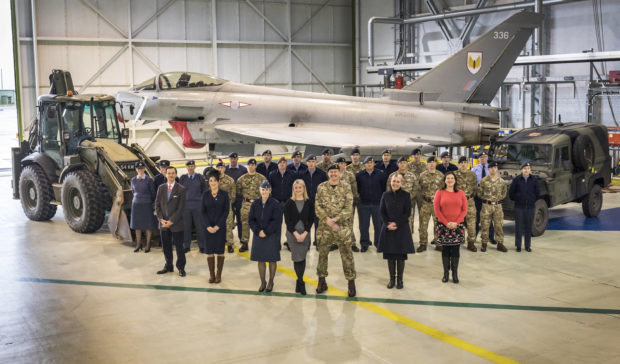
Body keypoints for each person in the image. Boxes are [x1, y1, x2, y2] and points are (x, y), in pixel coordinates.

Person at [315, 165, 357, 297]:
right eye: (331, 172)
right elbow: (317, 205)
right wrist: (326, 219)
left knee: (347, 256)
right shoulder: (321, 187)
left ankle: (351, 282)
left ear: (339, 173)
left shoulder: (346, 187)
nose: (333, 174)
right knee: (322, 255)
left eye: (335, 172)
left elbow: (349, 207)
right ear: (328, 174)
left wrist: (337, 219)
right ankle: (322, 281)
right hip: (324, 228)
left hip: (342, 228)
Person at [378, 174, 415, 289]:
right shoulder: (385, 195)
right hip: (388, 228)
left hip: (401, 229)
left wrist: (396, 223)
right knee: (390, 256)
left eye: (398, 182)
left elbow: (407, 213)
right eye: (394, 181)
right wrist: (388, 223)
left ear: (401, 183)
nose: (395, 183)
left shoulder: (406, 195)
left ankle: (400, 280)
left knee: (400, 256)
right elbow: (381, 211)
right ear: (391, 182)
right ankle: (391, 279)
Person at [249, 180, 283, 292]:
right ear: (260, 191)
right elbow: (251, 220)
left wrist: (266, 232)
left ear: (270, 190)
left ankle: (271, 281)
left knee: (272, 260)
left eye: (266, 189)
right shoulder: (255, 204)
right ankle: (263, 282)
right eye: (262, 189)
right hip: (258, 235)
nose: (264, 191)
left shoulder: (275, 204)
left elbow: (276, 221)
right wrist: (258, 231)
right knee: (261, 259)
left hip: (271, 235)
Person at [434, 171, 467, 283]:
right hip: (443, 226)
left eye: (452, 178)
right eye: (448, 178)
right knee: (446, 249)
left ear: (455, 180)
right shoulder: (439, 192)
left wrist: (456, 222)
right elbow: (437, 210)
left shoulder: (461, 193)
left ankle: (455, 273)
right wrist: (446, 222)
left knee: (456, 249)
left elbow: (464, 210)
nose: (450, 180)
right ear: (444, 180)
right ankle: (446, 273)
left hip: (457, 226)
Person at [283, 179, 315, 295]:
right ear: (293, 189)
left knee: (302, 257)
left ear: (303, 188)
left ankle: (299, 281)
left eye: (300, 187)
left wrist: (305, 233)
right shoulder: (289, 203)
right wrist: (296, 234)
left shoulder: (309, 202)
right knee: (297, 257)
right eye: (295, 188)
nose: (298, 190)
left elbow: (311, 219)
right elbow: (287, 221)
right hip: (293, 234)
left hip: (305, 234)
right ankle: (301, 282)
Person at [155, 167, 187, 277]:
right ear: (165, 175)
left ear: (176, 174)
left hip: (176, 224)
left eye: (173, 173)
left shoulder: (181, 189)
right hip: (163, 224)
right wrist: (161, 219)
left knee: (179, 247)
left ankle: (181, 268)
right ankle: (168, 266)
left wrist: (171, 221)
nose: (171, 175)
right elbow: (157, 205)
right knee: (166, 246)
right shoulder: (161, 188)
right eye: (169, 173)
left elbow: (181, 208)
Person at [201, 170, 230, 283]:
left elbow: (226, 211)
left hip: (220, 228)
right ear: (209, 182)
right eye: (210, 181)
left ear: (218, 182)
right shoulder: (205, 194)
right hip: (208, 228)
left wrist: (218, 226)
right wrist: (207, 226)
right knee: (209, 252)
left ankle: (218, 275)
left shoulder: (224, 194)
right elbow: (202, 212)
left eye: (214, 180)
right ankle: (212, 275)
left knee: (220, 251)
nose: (212, 183)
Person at [355, 156, 387, 252]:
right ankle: (364, 244)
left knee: (378, 225)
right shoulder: (359, 175)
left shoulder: (380, 174)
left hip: (377, 204)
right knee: (364, 226)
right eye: (367, 163)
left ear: (374, 164)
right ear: (364, 164)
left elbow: (384, 188)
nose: (369, 164)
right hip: (364, 204)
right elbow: (358, 189)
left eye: (371, 162)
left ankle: (378, 243)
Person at [477, 161, 508, 252]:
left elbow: (504, 193)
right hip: (486, 206)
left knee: (498, 225)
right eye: (491, 167)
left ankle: (500, 244)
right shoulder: (484, 180)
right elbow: (479, 192)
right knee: (485, 225)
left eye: (495, 167)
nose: (493, 169)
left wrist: (497, 199)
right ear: (488, 169)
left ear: (497, 169)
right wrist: (487, 199)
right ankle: (484, 243)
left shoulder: (501, 181)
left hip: (498, 206)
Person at [509, 162, 540, 252]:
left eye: (528, 168)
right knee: (518, 227)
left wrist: (531, 199)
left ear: (530, 170)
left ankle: (527, 246)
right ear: (521, 169)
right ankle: (518, 246)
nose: (526, 170)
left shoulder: (534, 180)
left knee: (528, 227)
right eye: (525, 168)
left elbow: (537, 193)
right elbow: (511, 193)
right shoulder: (517, 180)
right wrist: (518, 198)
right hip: (519, 207)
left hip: (530, 207)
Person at [236, 158, 266, 252]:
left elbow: (267, 191)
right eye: (249, 165)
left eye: (253, 165)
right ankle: (245, 243)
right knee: (245, 224)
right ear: (247, 166)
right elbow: (238, 191)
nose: (251, 166)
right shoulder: (241, 179)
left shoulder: (262, 178)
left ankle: (260, 243)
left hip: (258, 204)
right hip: (246, 204)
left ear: (255, 166)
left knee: (260, 224)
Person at [268, 157, 296, 250]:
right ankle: (276, 243)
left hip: (289, 203)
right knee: (277, 224)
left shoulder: (292, 174)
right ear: (278, 164)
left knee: (290, 224)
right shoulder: (272, 174)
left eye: (284, 162)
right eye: (280, 163)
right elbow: (269, 189)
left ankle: (289, 243)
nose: (282, 164)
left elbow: (294, 188)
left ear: (286, 164)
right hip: (277, 203)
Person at [417, 156, 444, 252]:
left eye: (433, 162)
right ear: (427, 164)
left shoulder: (441, 175)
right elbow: (418, 188)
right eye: (430, 162)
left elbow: (443, 190)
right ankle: (423, 243)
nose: (432, 164)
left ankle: (438, 243)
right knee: (423, 225)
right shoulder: (422, 175)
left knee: (438, 224)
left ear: (436, 164)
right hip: (425, 203)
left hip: (437, 204)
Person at [300, 155, 328, 248]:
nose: (311, 163)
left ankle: (318, 243)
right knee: (306, 223)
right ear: (307, 163)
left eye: (313, 162)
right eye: (309, 161)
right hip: (306, 203)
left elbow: (325, 188)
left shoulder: (322, 174)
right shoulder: (302, 174)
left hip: (318, 202)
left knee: (318, 224)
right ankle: (306, 244)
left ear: (316, 163)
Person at [179, 160, 206, 253]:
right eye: (188, 166)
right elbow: (180, 192)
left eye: (192, 166)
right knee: (186, 227)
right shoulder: (182, 178)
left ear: (195, 167)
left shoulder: (200, 178)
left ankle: (202, 246)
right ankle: (186, 246)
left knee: (200, 227)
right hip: (186, 207)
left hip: (198, 206)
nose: (190, 168)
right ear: (186, 167)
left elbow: (204, 191)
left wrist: (201, 202)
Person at [387, 156, 418, 233]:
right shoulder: (392, 176)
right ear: (398, 164)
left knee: (408, 223)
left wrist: (408, 198)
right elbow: (388, 189)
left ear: (407, 164)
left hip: (408, 204)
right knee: (395, 223)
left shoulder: (412, 175)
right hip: (395, 205)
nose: (403, 165)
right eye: (401, 163)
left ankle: (408, 242)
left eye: (404, 163)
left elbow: (415, 188)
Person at [130, 161, 156, 253]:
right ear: (136, 169)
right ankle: (138, 244)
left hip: (146, 204)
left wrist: (150, 203)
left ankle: (148, 245)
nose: (140, 170)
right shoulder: (133, 180)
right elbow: (133, 191)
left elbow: (153, 193)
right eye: (138, 169)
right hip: (136, 205)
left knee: (147, 226)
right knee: (137, 226)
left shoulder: (149, 180)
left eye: (142, 168)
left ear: (144, 169)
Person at [454, 156, 478, 252]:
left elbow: (475, 188)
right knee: (457, 222)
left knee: (471, 222)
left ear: (467, 163)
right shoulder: (454, 175)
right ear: (459, 164)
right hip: (458, 202)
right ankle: (457, 240)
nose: (463, 164)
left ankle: (471, 243)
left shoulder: (472, 174)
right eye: (461, 162)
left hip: (470, 201)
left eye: (465, 162)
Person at [471, 152, 496, 244]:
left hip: (489, 197)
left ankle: (491, 237)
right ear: (479, 159)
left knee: (489, 217)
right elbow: (472, 183)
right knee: (476, 218)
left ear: (487, 157)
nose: (483, 158)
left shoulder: (492, 168)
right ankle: (474, 236)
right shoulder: (474, 169)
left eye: (485, 157)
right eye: (481, 157)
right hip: (478, 197)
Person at [337, 157, 360, 252]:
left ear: (345, 164)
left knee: (349, 224)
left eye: (343, 163)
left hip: (348, 203)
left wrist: (354, 200)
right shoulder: (334, 173)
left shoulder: (350, 175)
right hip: (337, 204)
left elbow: (354, 188)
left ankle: (352, 243)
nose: (341, 165)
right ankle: (336, 243)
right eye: (339, 163)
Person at [226, 152, 248, 243]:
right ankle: (228, 240)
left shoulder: (243, 170)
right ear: (229, 159)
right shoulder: (226, 169)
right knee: (228, 221)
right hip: (229, 199)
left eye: (234, 158)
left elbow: (246, 183)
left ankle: (241, 239)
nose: (233, 160)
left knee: (240, 220)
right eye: (231, 158)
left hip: (239, 199)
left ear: (237, 159)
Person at [216, 162, 237, 253]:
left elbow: (233, 195)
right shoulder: (212, 179)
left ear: (224, 169)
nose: (220, 169)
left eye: (222, 167)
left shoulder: (230, 180)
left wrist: (227, 203)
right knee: (217, 226)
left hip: (227, 206)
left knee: (228, 225)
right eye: (218, 167)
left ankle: (229, 244)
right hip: (215, 207)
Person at [407, 148, 426, 225]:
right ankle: (410, 232)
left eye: (418, 154)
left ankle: (421, 231)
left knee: (422, 214)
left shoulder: (424, 165)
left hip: (421, 193)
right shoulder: (408, 165)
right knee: (410, 215)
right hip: (411, 192)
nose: (416, 156)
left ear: (420, 155)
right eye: (415, 155)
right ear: (412, 156)